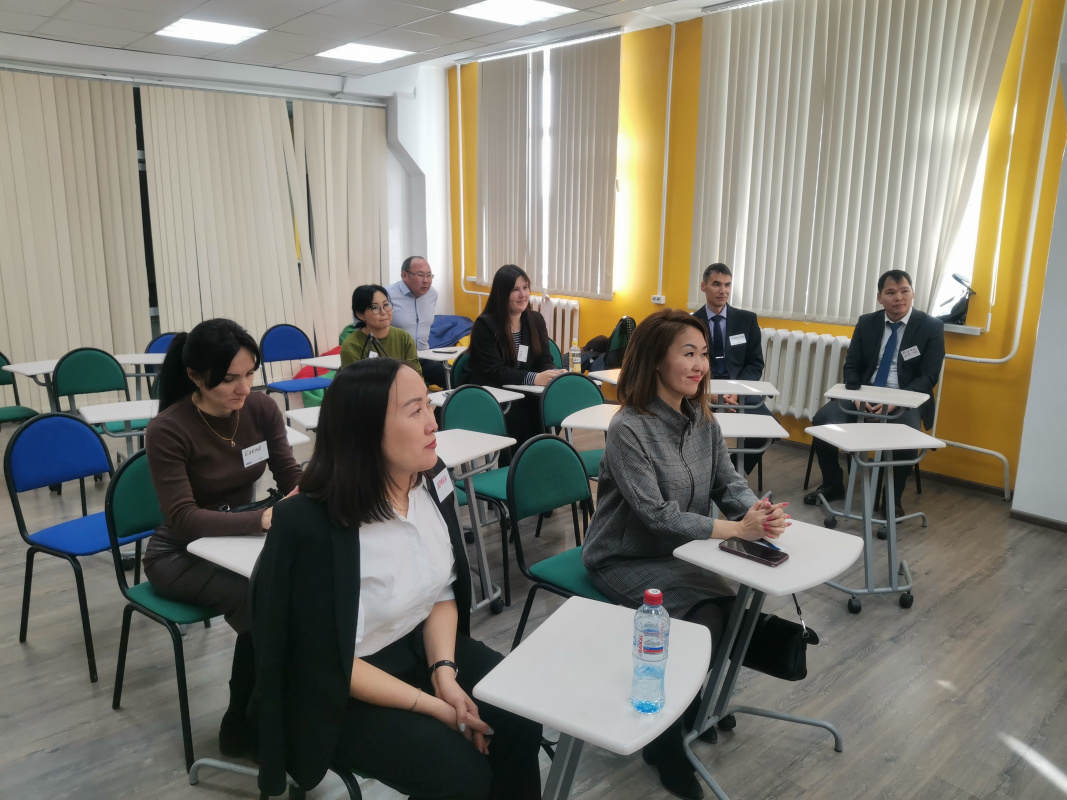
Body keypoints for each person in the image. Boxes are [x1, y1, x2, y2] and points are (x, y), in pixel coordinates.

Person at [253, 359, 542, 799]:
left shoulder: (431, 476)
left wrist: (444, 674)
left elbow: (441, 590)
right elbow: (323, 661)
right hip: (344, 686)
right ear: (367, 430)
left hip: (420, 644)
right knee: (461, 775)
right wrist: (435, 707)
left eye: (430, 404)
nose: (433, 422)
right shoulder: (310, 524)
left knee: (521, 716)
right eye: (415, 410)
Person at [581, 309, 789, 800]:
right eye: (688, 354)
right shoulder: (628, 427)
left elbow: (727, 482)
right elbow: (655, 514)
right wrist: (735, 529)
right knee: (705, 620)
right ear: (656, 360)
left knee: (732, 610)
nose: (700, 365)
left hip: (681, 551)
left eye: (704, 355)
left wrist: (757, 511)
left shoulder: (702, 420)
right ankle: (665, 743)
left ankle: (690, 700)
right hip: (623, 557)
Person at [143, 318, 302, 759]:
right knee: (263, 599)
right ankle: (245, 724)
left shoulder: (261, 408)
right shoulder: (168, 429)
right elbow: (184, 519)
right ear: (195, 377)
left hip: (239, 538)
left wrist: (315, 493)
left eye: (250, 374)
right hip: (179, 554)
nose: (244, 388)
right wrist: (263, 520)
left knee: (291, 588)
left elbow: (289, 474)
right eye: (230, 379)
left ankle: (268, 715)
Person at [804, 269, 945, 515]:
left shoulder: (930, 327)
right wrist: (858, 398)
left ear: (913, 293)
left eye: (904, 291)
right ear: (880, 298)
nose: (898, 298)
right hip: (863, 395)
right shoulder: (867, 322)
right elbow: (852, 366)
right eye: (891, 293)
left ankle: (892, 498)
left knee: (907, 437)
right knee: (823, 421)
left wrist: (895, 402)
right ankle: (833, 484)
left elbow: (928, 377)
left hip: (906, 399)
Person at [467, 264, 566, 449]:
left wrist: (552, 373)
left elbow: (544, 358)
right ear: (502, 294)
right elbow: (495, 371)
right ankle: (519, 462)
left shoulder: (535, 320)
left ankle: (541, 454)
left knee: (557, 405)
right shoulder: (485, 325)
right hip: (496, 394)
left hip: (525, 391)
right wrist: (534, 378)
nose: (523, 295)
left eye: (525, 287)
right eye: (515, 290)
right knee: (522, 416)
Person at [690, 262, 771, 473]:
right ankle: (700, 475)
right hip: (703, 390)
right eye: (716, 284)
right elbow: (689, 365)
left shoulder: (747, 320)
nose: (723, 290)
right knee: (688, 427)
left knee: (769, 428)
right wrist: (708, 392)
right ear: (703, 286)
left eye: (727, 285)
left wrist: (735, 392)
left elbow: (755, 363)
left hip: (739, 390)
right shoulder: (691, 322)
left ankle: (730, 475)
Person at [340, 284, 423, 377]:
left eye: (386, 304)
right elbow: (352, 383)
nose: (383, 312)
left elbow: (416, 374)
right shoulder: (352, 345)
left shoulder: (404, 338)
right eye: (375, 307)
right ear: (360, 315)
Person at [389, 255, 446, 386]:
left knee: (453, 378)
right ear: (405, 275)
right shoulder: (387, 294)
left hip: (424, 356)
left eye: (429, 275)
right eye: (420, 275)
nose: (426, 281)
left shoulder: (432, 294)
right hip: (396, 360)